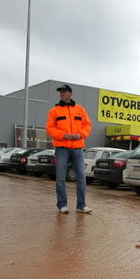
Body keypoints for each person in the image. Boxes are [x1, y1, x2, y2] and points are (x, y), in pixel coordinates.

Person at [46, 84, 92, 214]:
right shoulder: (54, 111)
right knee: (60, 177)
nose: (62, 93)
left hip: (78, 148)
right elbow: (50, 129)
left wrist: (81, 134)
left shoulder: (80, 110)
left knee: (81, 177)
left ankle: (81, 205)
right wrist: (63, 135)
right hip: (62, 148)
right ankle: (62, 205)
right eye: (60, 91)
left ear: (70, 94)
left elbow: (87, 125)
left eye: (64, 91)